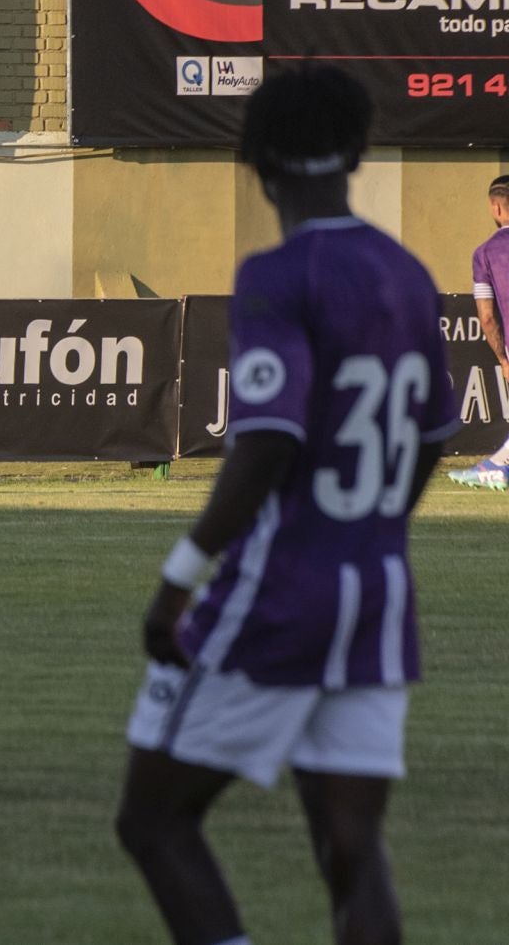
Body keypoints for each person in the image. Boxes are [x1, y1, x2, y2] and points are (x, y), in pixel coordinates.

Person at [115, 64, 458, 945]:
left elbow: (270, 440)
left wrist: (178, 579)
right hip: (377, 593)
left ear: (258, 163)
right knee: (352, 848)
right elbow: (429, 438)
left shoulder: (278, 273)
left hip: (283, 589)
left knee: (154, 820)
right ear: (358, 154)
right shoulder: (410, 275)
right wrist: (373, 529)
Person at [447, 173, 509, 489]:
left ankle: (500, 466)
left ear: (496, 208)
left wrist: (502, 357)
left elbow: (486, 316)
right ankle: (500, 463)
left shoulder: (485, 253)